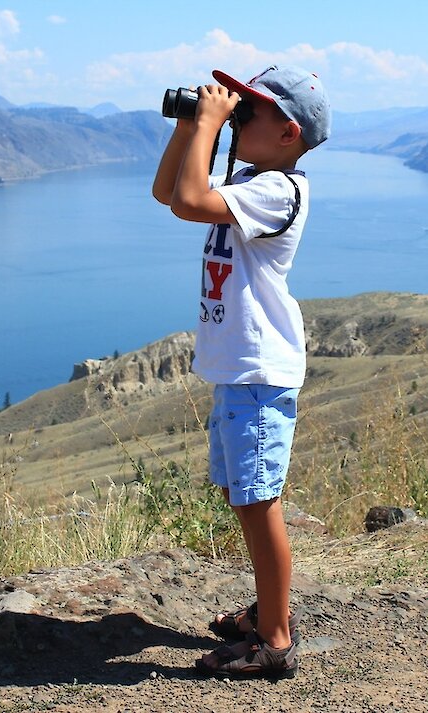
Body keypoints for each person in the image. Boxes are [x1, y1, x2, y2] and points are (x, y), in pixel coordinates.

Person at [152, 65, 331, 680]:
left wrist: (207, 124)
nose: (236, 116)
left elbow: (189, 202)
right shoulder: (255, 179)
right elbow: (168, 190)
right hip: (240, 370)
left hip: (258, 370)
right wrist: (188, 130)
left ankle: (275, 639)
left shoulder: (281, 190)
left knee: (259, 503)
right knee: (242, 496)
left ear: (287, 133)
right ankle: (269, 610)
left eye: (247, 112)